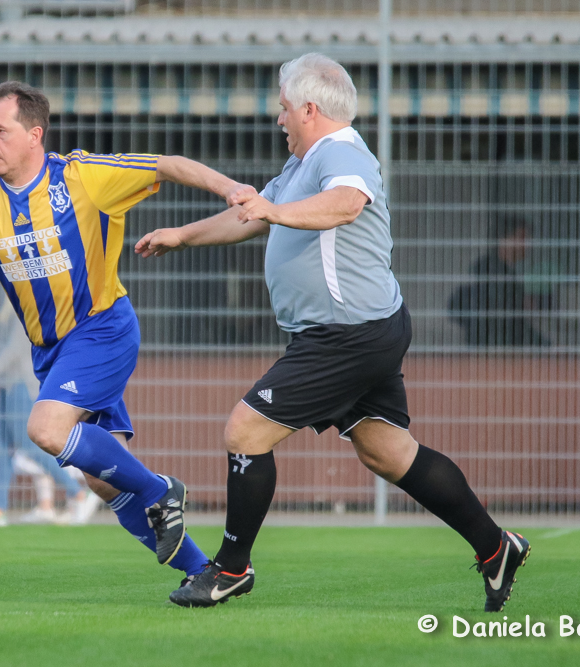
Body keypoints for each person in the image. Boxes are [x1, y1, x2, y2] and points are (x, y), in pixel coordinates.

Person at [136, 53, 530, 611]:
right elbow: (251, 213)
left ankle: (229, 569)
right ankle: (496, 548)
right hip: (356, 330)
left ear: (310, 109)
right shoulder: (304, 163)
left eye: (283, 109)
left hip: (345, 334)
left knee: (246, 431)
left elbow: (346, 204)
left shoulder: (341, 151)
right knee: (389, 453)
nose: (279, 120)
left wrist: (273, 212)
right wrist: (182, 234)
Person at [0, 82, 252, 584]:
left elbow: (167, 164)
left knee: (45, 430)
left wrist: (230, 189)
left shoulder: (82, 177)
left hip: (102, 330)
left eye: (1, 131)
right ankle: (209, 573)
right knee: (103, 481)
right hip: (50, 351)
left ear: (34, 135)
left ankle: (161, 491)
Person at [0, 297, 99, 527]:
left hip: (21, 382)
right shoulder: (6, 301)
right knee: (1, 449)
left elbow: (16, 349)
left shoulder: (27, 297)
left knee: (30, 446)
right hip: (6, 383)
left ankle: (79, 493)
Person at [448, 216, 550, 347]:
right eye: (521, 237)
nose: (527, 244)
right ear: (504, 240)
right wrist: (546, 346)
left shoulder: (490, 271)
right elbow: (513, 325)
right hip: (495, 352)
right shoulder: (497, 277)